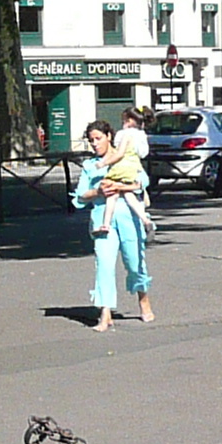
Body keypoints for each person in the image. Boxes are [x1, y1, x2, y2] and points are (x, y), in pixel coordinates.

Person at [74, 120, 153, 330]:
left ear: (109, 136)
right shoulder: (90, 165)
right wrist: (98, 192)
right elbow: (80, 196)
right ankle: (105, 312)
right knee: (104, 265)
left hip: (129, 216)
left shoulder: (125, 154)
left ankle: (143, 300)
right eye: (91, 140)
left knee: (135, 262)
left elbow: (142, 181)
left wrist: (120, 185)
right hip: (103, 220)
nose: (94, 144)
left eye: (98, 138)